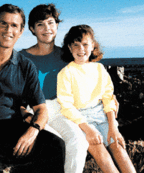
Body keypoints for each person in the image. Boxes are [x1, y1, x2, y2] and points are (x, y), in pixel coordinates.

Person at [0, 4, 65, 173]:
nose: (8, 30)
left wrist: (32, 131)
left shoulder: (25, 66)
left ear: (21, 31)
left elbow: (41, 109)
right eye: (3, 23)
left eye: (14, 25)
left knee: (55, 145)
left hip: (12, 128)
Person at [57, 24, 136, 173]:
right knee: (104, 158)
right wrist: (88, 130)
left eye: (85, 44)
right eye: (76, 45)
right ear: (69, 47)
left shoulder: (99, 69)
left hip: (102, 115)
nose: (81, 49)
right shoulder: (65, 73)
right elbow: (66, 105)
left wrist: (113, 127)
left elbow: (108, 98)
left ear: (92, 45)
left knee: (120, 150)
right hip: (81, 120)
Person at [19, 4, 89, 172]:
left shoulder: (67, 55)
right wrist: (24, 113)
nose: (47, 28)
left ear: (57, 25)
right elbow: (14, 93)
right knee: (55, 145)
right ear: (32, 29)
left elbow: (89, 78)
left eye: (50, 23)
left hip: (59, 109)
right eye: (40, 24)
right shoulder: (21, 57)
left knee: (79, 141)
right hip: (33, 110)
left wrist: (111, 97)